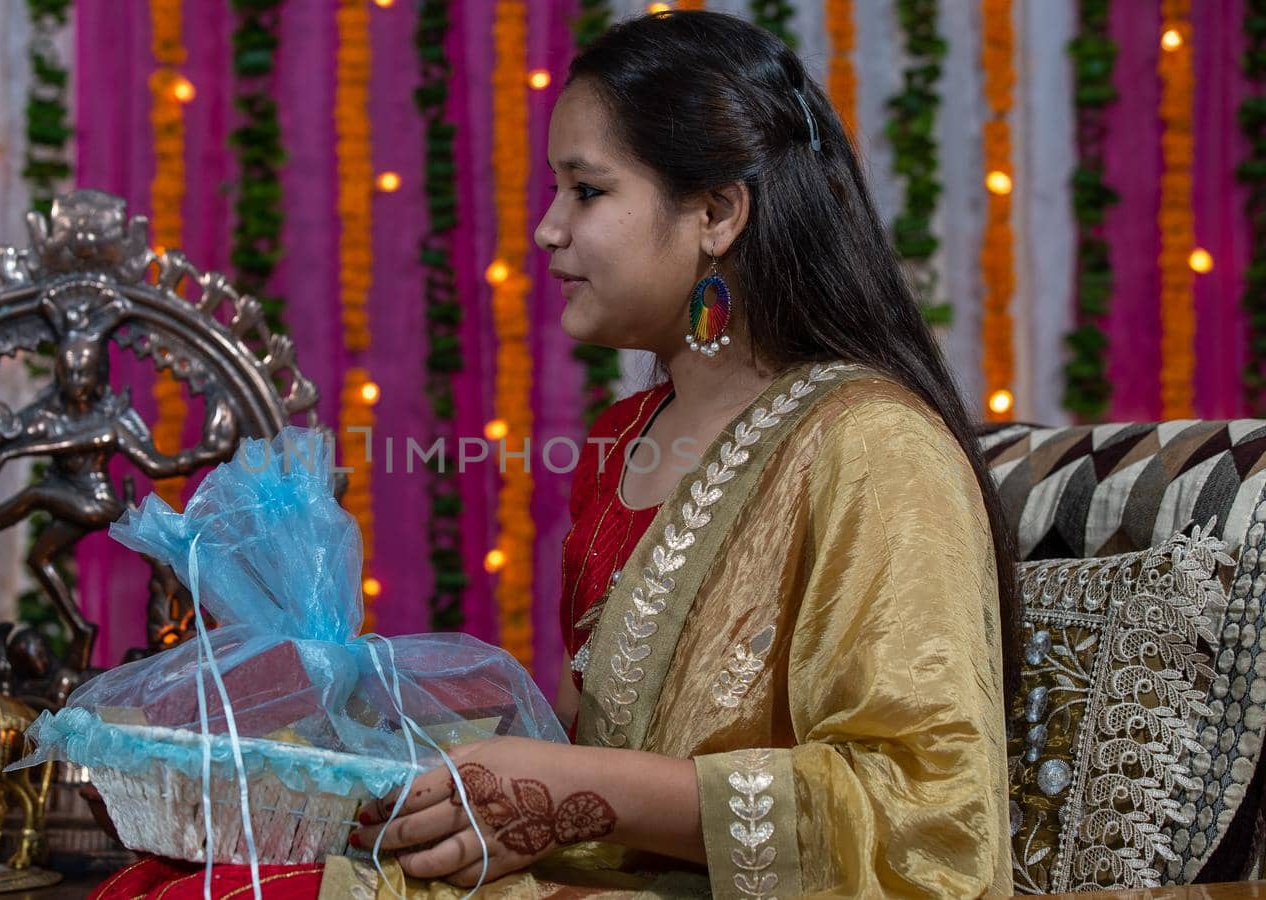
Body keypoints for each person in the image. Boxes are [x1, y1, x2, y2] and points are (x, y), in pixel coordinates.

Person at [322, 10, 1017, 898]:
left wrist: (575, 788)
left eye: (586, 190)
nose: (546, 230)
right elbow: (587, 748)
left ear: (718, 213)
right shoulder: (619, 442)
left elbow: (928, 820)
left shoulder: (873, 447)